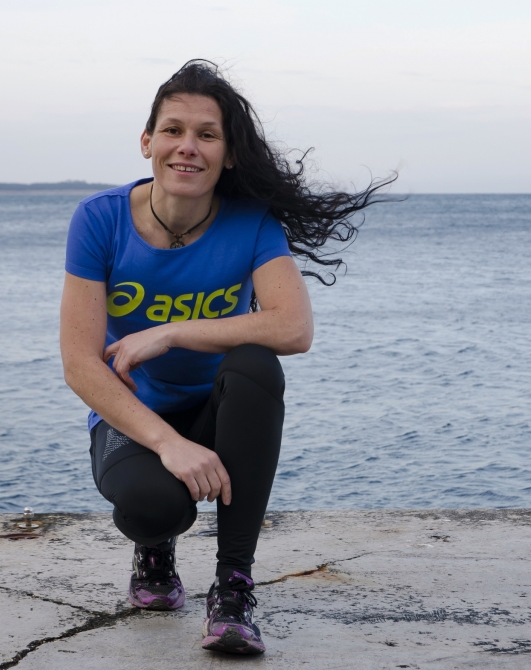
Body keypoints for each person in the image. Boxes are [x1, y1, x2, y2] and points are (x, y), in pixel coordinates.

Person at [60, 59, 394, 655]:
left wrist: (173, 332)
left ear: (229, 154)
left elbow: (294, 327)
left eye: (207, 135)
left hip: (219, 412)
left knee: (258, 364)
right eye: (173, 130)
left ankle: (233, 588)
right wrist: (168, 443)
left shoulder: (251, 223)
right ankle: (154, 549)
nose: (187, 147)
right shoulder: (100, 219)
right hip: (135, 421)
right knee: (151, 507)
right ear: (147, 142)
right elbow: (80, 364)